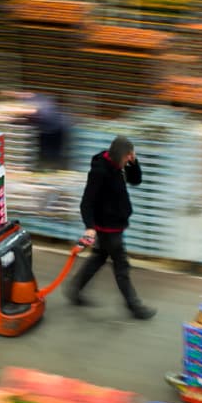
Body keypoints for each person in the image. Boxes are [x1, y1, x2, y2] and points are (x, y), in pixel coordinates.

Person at [66, 135, 156, 320]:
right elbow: (86, 202)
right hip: (108, 227)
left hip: (117, 223)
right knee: (121, 266)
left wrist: (134, 161)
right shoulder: (100, 171)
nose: (127, 161)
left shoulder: (119, 165)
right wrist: (90, 227)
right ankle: (134, 306)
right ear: (119, 156)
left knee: (98, 257)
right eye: (127, 158)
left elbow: (136, 180)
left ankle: (75, 290)